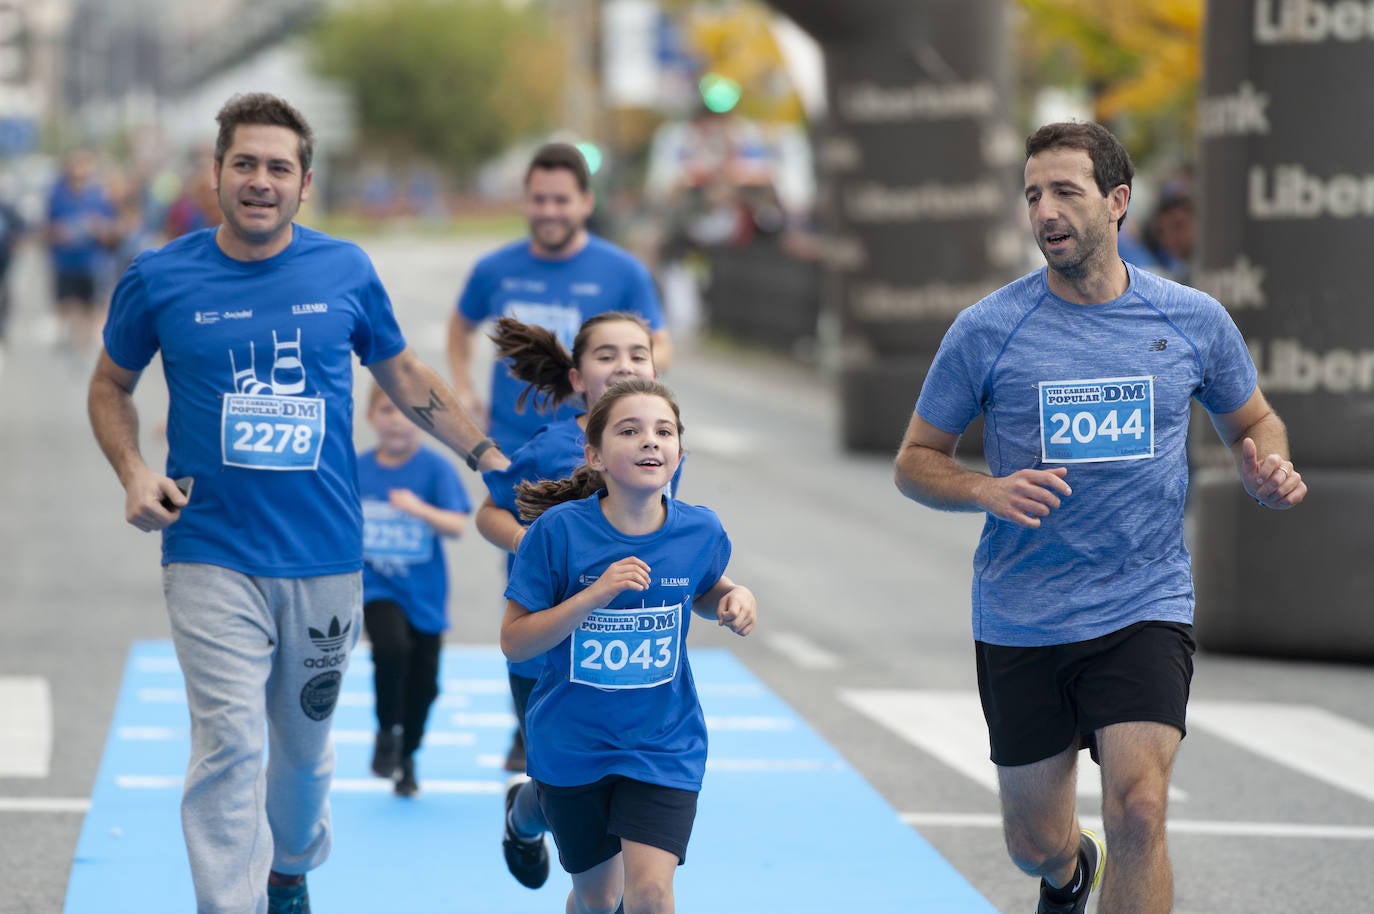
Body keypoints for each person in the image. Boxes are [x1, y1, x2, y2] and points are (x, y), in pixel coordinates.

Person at [87, 92, 509, 914]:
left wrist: (487, 458)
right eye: (243, 163)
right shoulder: (161, 277)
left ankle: (290, 869)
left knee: (304, 756)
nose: (259, 180)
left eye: (278, 166)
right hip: (210, 550)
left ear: (304, 183)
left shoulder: (344, 270)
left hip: (323, 555)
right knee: (230, 745)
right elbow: (110, 385)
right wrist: (134, 471)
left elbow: (406, 377)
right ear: (216, 173)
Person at [892, 121, 1306, 914]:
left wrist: (1268, 464)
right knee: (1034, 841)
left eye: (1065, 192)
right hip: (1024, 611)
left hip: (1143, 599)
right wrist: (985, 489)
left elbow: (1255, 421)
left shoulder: (1191, 319)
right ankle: (1067, 871)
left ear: (1117, 202)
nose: (1045, 210)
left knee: (1140, 810)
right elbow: (915, 459)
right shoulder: (987, 330)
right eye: (1033, 194)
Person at [499, 377, 756, 914]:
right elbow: (515, 643)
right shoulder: (559, 534)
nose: (650, 441)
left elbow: (704, 588)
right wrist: (594, 595)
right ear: (594, 455)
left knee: (651, 893)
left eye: (664, 431)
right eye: (630, 430)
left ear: (679, 453)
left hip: (664, 743)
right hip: (573, 747)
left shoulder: (701, 531)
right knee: (598, 898)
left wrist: (733, 597)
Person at [474, 312, 668, 888]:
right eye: (606, 356)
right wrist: (528, 540)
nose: (625, 365)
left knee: (617, 798)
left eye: (638, 353)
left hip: (625, 660)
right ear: (578, 376)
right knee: (564, 791)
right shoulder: (553, 446)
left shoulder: (661, 444)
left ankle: (605, 892)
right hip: (546, 658)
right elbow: (490, 512)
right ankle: (523, 816)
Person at [446, 141, 673, 457]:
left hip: (593, 446)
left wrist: (621, 365)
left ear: (586, 202)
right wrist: (464, 390)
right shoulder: (493, 269)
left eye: (561, 200)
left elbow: (659, 347)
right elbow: (460, 326)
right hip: (510, 447)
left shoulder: (624, 272)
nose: (549, 211)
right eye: (539, 200)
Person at [358, 383, 472, 798]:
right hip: (376, 588)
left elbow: (457, 525)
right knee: (390, 647)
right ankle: (387, 729)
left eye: (406, 412)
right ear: (372, 417)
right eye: (386, 410)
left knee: (426, 686)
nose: (396, 420)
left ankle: (407, 756)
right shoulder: (357, 469)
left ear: (422, 423)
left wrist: (418, 509)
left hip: (424, 594)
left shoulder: (435, 469)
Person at [45, 149, 116, 351]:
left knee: (91, 306)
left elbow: (111, 230)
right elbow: (46, 229)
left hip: (91, 263)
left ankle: (86, 347)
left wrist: (98, 227)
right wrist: (59, 233)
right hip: (65, 262)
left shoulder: (98, 197)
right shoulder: (57, 196)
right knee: (66, 305)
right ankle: (66, 343)